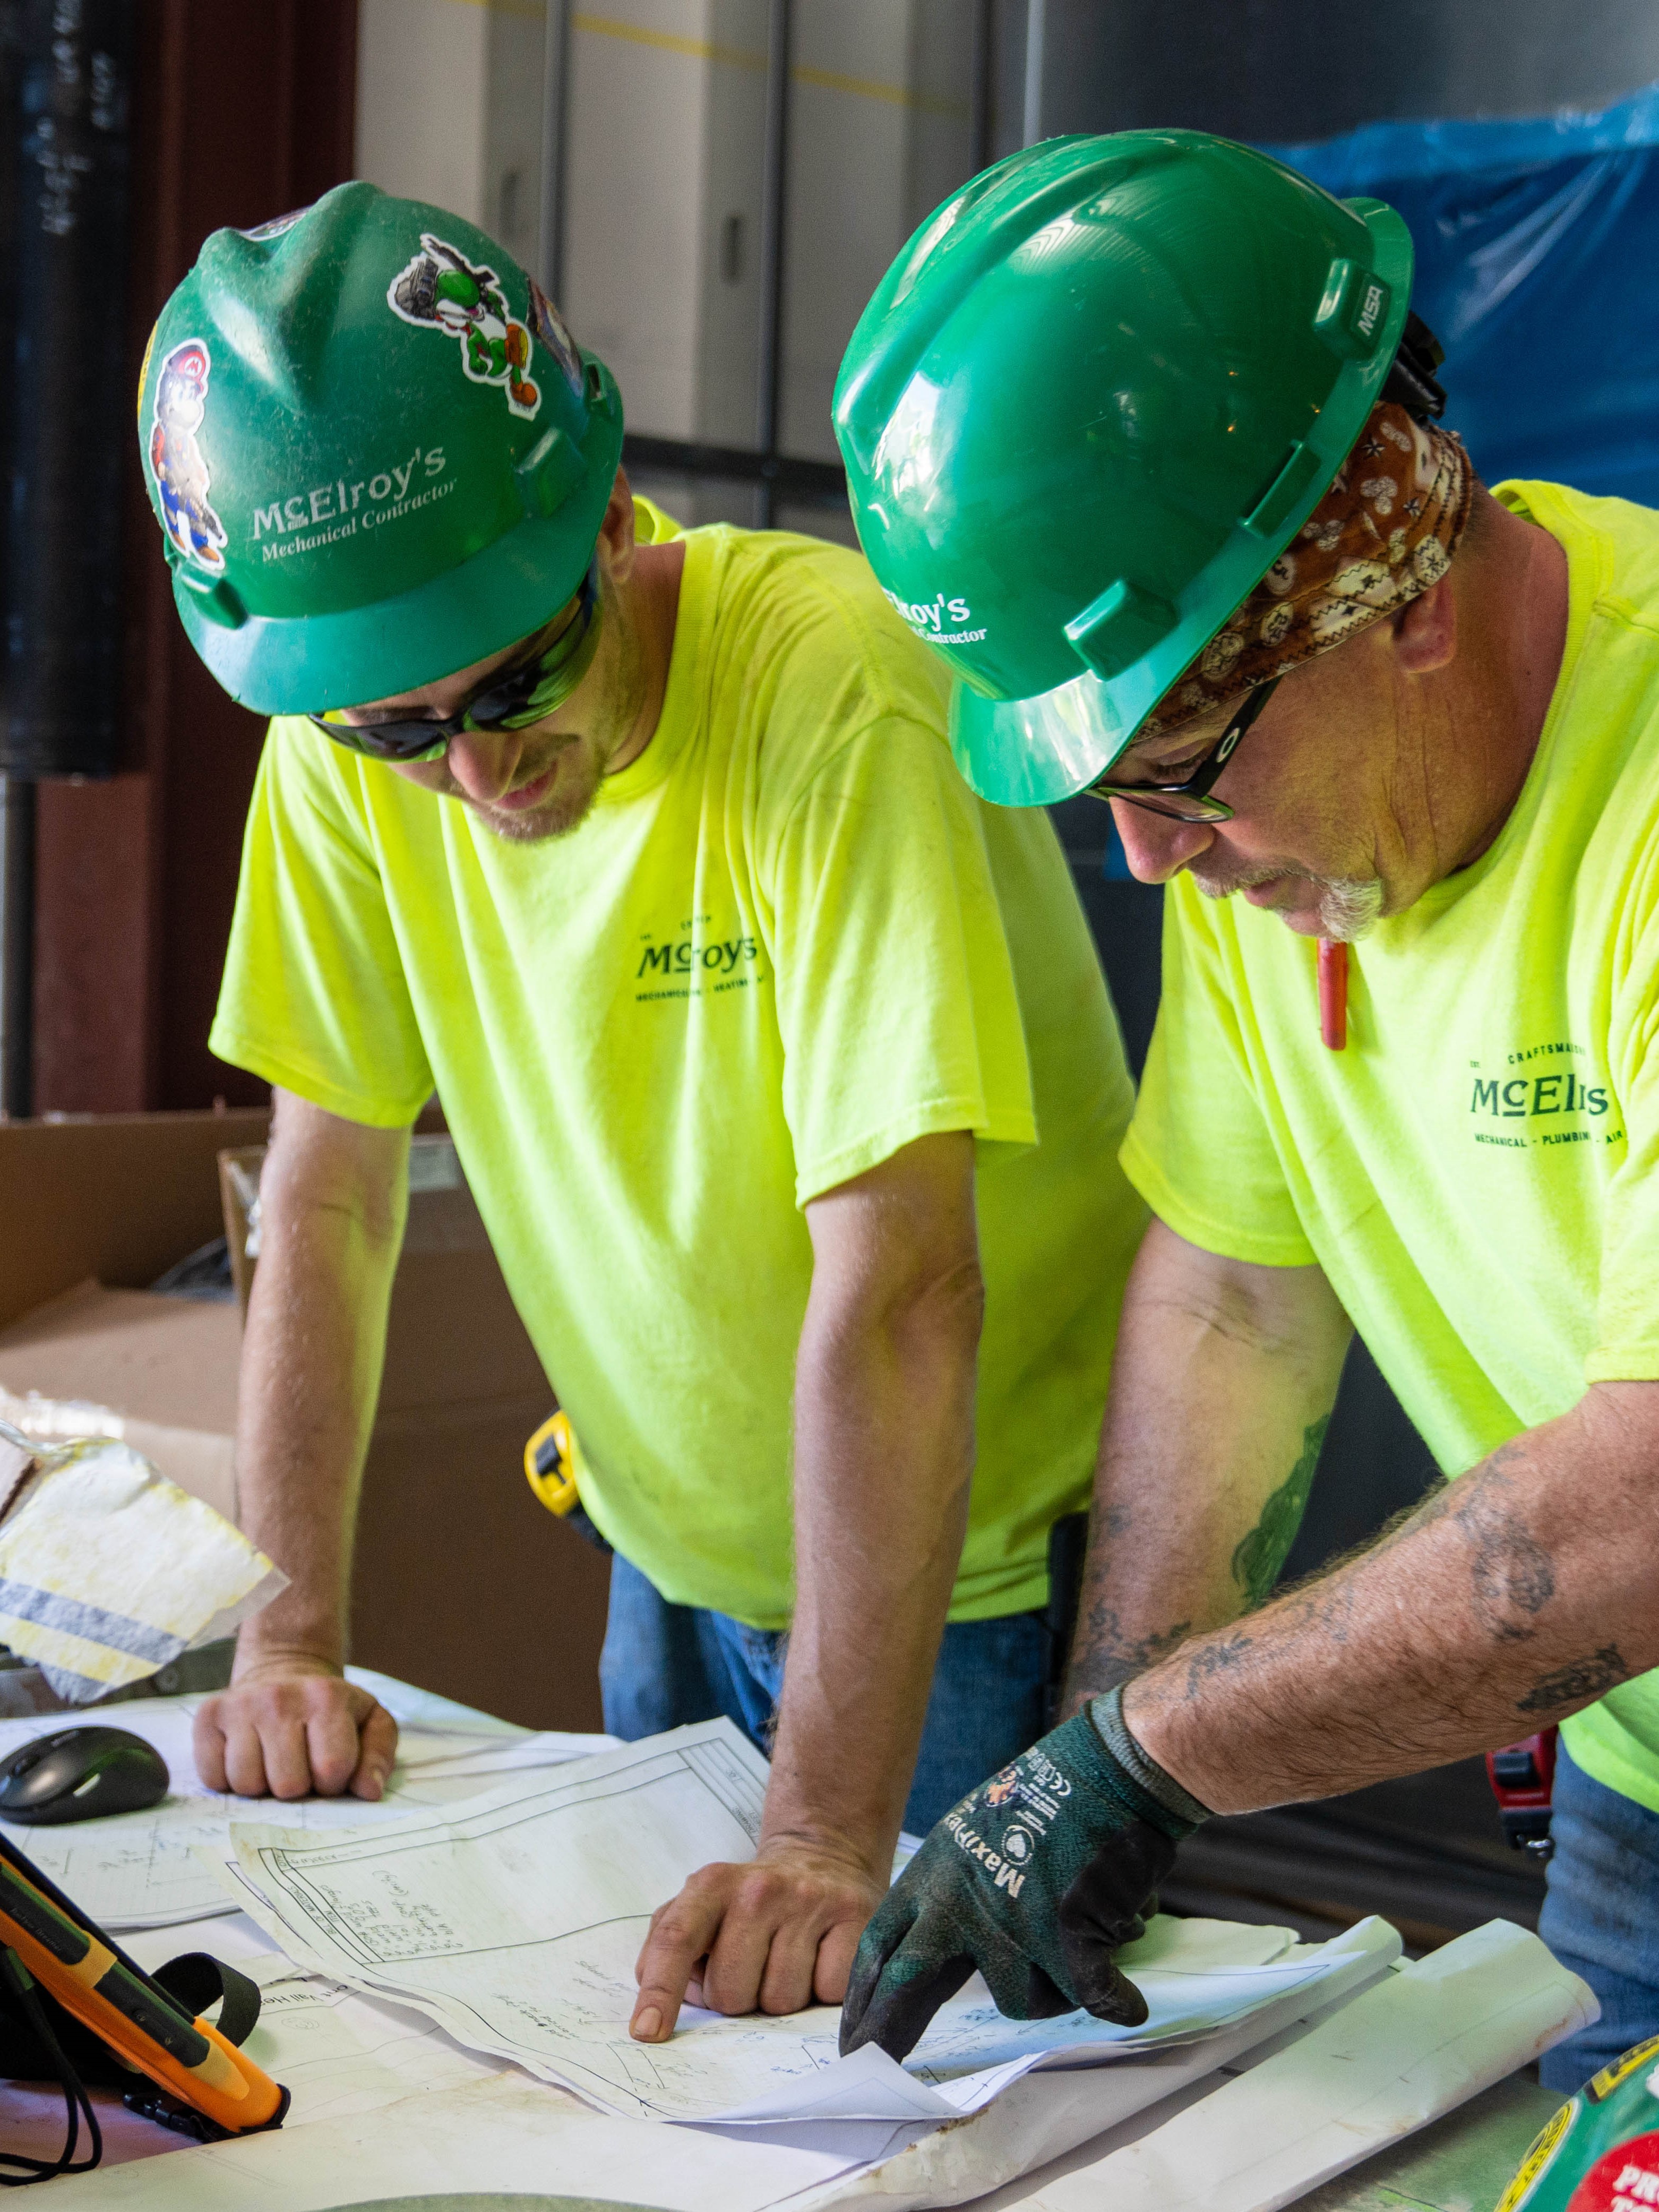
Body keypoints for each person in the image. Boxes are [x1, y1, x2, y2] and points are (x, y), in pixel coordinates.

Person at [137, 183, 1148, 2043]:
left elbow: (907, 1289)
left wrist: (832, 1837)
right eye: (394, 727)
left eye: (520, 676)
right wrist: (287, 1635)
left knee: (932, 2108)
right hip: (668, 1551)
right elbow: (330, 1198)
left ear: (613, 514)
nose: (474, 768)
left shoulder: (832, 692)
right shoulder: (357, 732)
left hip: (975, 1573)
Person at [831, 128, 1659, 2087]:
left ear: (1404, 592)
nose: (1141, 857)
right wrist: (1103, 1743)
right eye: (1098, 782)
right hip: (1640, 1775)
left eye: (1182, 764)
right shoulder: (1281, 832)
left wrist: (1154, 1753)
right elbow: (1233, 1290)